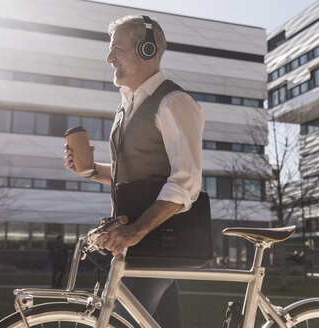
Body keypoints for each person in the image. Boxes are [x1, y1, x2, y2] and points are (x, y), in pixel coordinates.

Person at [64, 14, 204, 327]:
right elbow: (137, 174)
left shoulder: (174, 102)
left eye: (117, 49)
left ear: (147, 50)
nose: (109, 57)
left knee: (114, 322)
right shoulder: (128, 105)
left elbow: (186, 182)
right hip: (141, 245)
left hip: (157, 245)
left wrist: (136, 230)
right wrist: (90, 170)